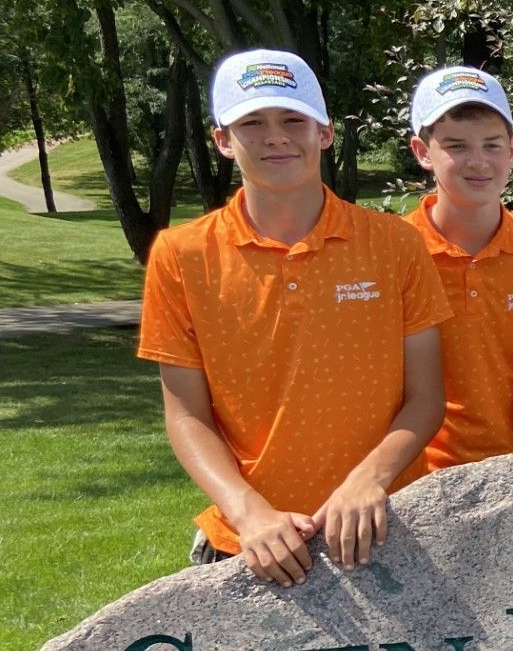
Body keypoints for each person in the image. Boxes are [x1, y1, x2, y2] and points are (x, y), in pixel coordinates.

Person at [138, 48, 450, 585]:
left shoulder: (395, 244)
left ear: (324, 132)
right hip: (248, 545)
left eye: (292, 119)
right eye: (252, 123)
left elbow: (426, 398)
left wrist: (367, 481)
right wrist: (248, 511)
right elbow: (186, 416)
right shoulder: (180, 254)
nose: (275, 136)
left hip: (388, 528)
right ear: (223, 141)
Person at [402, 65, 513, 473]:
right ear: (423, 152)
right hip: (420, 478)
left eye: (492, 145)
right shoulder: (394, 249)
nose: (478, 161)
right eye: (456, 146)